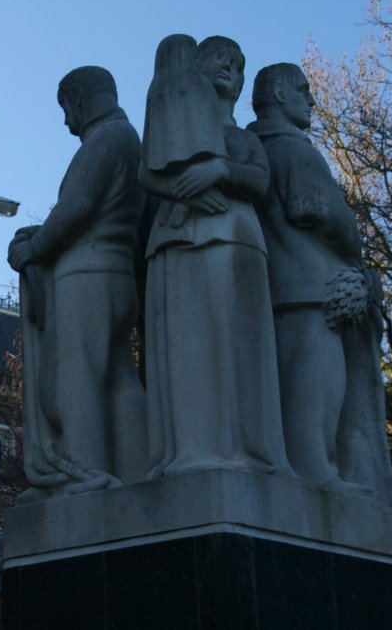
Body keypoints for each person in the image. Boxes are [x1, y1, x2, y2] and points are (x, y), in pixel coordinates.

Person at [139, 36, 292, 478]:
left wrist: (219, 170)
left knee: (235, 345)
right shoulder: (169, 118)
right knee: (185, 348)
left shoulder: (243, 137)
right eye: (217, 58)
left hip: (233, 237)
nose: (228, 66)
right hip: (174, 240)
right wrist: (180, 188)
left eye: (237, 63)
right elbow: (147, 173)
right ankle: (189, 448)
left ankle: (242, 450)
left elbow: (259, 181)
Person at [248, 63, 392, 495]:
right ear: (278, 93)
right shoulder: (291, 148)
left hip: (291, 285)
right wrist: (352, 244)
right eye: (303, 90)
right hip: (309, 285)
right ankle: (317, 472)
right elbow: (312, 206)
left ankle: (318, 469)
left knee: (305, 381)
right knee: (315, 383)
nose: (311, 100)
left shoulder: (258, 147)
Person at [8, 65, 147, 499]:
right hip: (118, 275)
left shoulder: (105, 139)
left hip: (86, 277)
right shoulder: (130, 141)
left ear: (78, 100)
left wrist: (34, 248)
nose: (66, 122)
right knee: (118, 377)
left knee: (75, 378)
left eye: (66, 109)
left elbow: (78, 207)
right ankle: (133, 469)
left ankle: (84, 474)